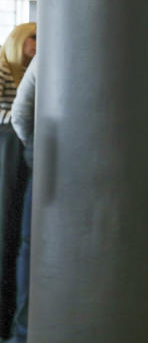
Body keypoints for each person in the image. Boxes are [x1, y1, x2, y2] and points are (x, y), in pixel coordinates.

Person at [0, 23, 35, 339]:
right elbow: (19, 117)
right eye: (32, 38)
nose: (36, 44)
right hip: (10, 156)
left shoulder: (30, 73)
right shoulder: (3, 72)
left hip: (20, 157)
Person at [9, 58, 36, 343]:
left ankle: (23, 335)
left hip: (49, 169)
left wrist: (34, 152)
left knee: (31, 251)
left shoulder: (48, 57)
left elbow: (20, 114)